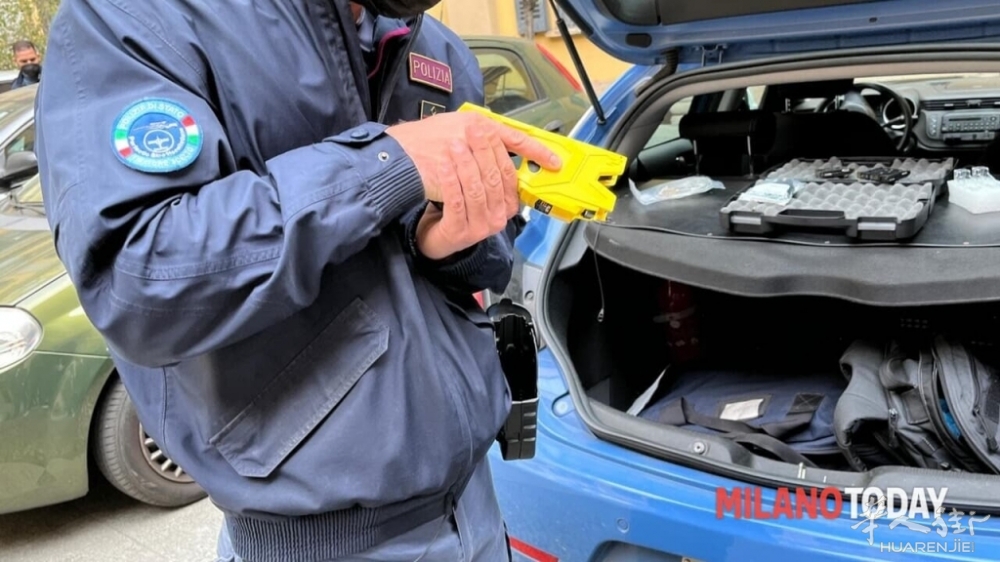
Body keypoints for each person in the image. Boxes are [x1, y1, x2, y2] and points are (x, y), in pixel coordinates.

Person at [34, 1, 561, 561]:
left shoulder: (437, 48)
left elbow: (490, 254)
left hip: (476, 507)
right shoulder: (135, 18)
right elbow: (139, 278)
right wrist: (386, 164)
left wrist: (446, 244)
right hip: (318, 541)